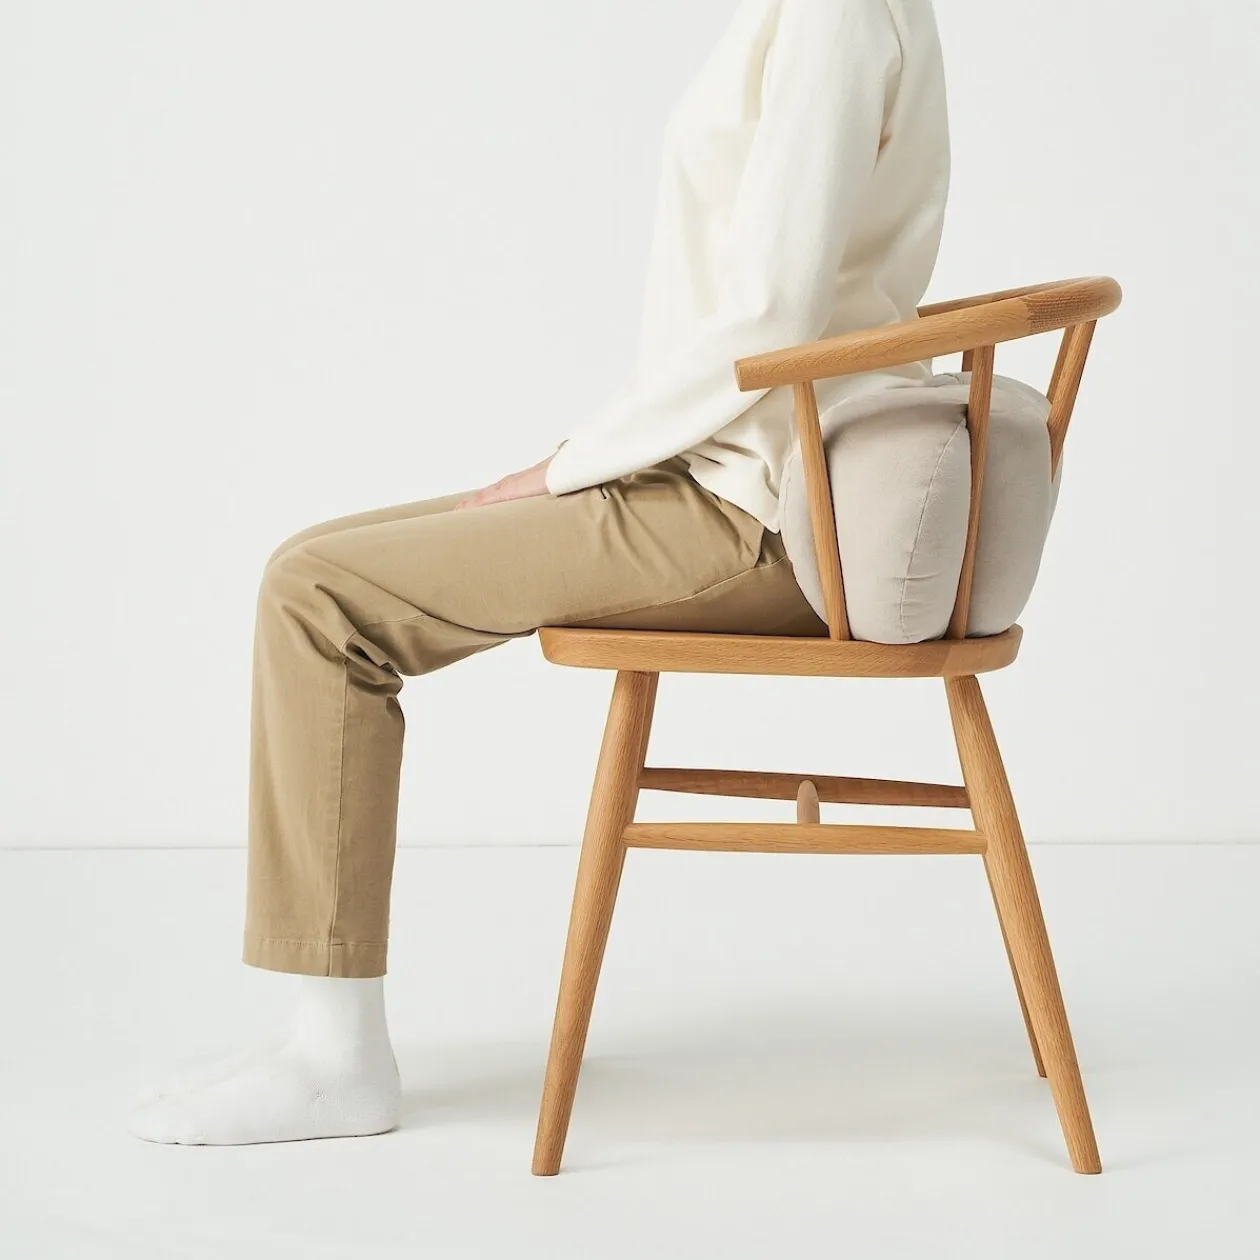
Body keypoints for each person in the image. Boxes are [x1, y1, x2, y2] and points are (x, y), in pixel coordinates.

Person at [128, 0, 949, 1145]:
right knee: (309, 570)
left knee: (318, 598)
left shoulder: (836, 15)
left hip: (749, 509)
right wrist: (596, 457)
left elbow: (770, 316)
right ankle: (316, 1039)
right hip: (720, 471)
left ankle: (335, 1062)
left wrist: (572, 466)